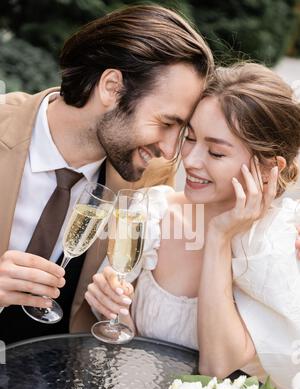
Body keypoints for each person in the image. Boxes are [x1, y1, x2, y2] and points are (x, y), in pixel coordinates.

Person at [87, 63, 300, 389]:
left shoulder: (276, 244)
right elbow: (123, 335)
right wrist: (110, 308)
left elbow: (216, 368)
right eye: (190, 137)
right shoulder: (151, 211)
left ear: (266, 168)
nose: (191, 160)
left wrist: (218, 237)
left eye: (216, 152)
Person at [0, 5, 214, 343]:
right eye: (166, 123)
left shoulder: (148, 176)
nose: (171, 151)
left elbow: (194, 223)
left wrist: (270, 226)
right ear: (112, 87)